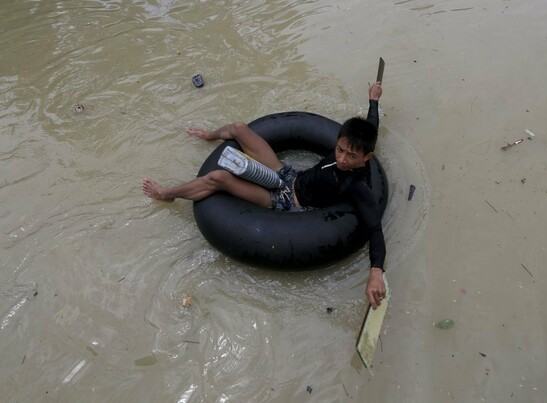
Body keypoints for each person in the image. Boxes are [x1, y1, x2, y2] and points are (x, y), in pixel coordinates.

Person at [143, 82, 386, 308]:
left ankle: (166, 193)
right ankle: (208, 135)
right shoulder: (352, 144)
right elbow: (370, 126)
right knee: (239, 128)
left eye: (351, 156)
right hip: (290, 176)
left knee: (219, 178)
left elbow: (375, 228)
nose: (342, 159)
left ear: (367, 157)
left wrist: (376, 271)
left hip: (288, 202)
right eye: (340, 150)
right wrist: (373, 100)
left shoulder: (357, 185)